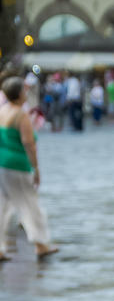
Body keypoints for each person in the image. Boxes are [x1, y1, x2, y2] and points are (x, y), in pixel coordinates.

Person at [0, 76, 57, 260]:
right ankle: (41, 244)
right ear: (19, 94)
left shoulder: (2, 111)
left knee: (3, 208)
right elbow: (29, 144)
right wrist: (36, 168)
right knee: (31, 205)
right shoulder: (20, 114)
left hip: (3, 163)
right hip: (18, 165)